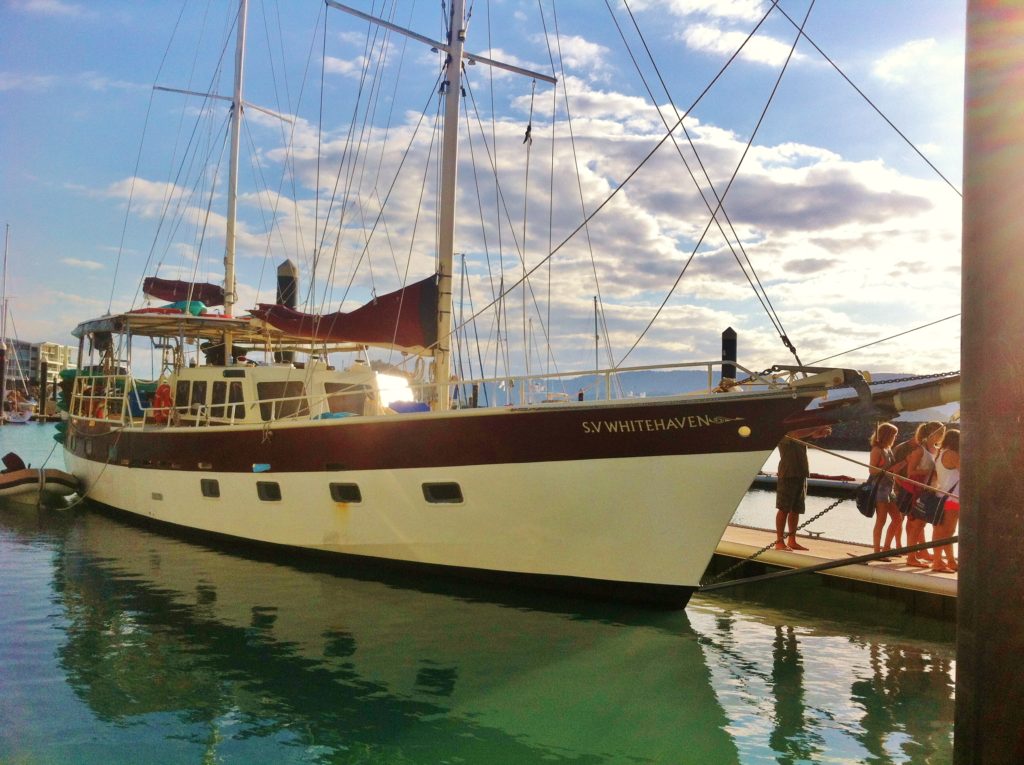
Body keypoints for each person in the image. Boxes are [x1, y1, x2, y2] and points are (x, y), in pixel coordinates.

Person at [894, 421, 946, 568]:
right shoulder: (920, 450)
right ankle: (911, 556)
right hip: (918, 490)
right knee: (915, 524)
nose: (942, 436)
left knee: (920, 524)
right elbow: (910, 472)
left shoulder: (937, 450)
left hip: (931, 490)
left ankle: (919, 552)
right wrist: (931, 472)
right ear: (932, 433)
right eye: (940, 433)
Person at [775, 425, 833, 551]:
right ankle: (779, 542)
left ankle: (792, 540)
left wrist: (820, 431)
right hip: (788, 473)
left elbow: (810, 435)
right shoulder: (785, 432)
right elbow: (795, 433)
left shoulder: (802, 435)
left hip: (801, 473)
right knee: (783, 508)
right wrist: (815, 428)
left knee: (796, 509)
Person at [929, 429, 960, 573]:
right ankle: (938, 562)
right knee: (947, 531)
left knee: (944, 531)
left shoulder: (940, 454)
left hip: (943, 495)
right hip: (952, 497)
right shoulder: (952, 454)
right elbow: (968, 472)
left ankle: (950, 561)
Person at [869, 422, 900, 559]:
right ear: (887, 435)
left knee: (897, 519)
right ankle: (877, 551)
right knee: (881, 520)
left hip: (890, 488)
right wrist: (887, 471)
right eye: (894, 435)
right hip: (880, 488)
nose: (895, 438)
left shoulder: (888, 449)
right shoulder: (877, 450)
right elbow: (871, 470)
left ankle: (886, 547)